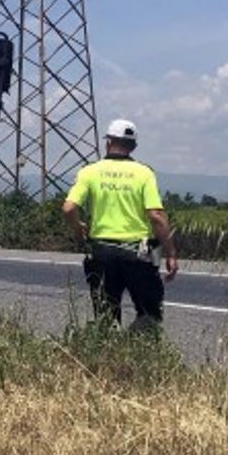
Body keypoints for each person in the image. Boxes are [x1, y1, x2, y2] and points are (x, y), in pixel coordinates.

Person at [63, 119, 179, 329]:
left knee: (106, 318)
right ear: (133, 146)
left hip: (102, 252)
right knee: (149, 314)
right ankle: (141, 346)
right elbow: (156, 216)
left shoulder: (89, 171)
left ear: (108, 143)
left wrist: (79, 231)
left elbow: (69, 208)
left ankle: (111, 348)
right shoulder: (144, 173)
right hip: (140, 253)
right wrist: (170, 253)